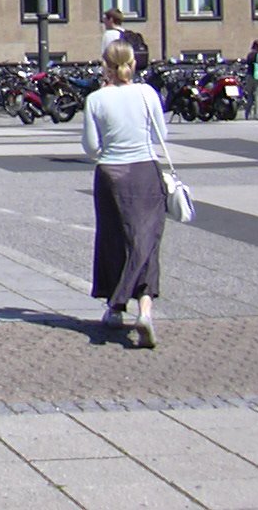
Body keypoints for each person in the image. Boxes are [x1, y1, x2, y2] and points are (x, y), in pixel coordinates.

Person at [82, 38, 165, 348]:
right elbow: (161, 134)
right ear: (133, 63)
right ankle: (145, 308)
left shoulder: (96, 100)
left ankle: (115, 307)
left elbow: (91, 147)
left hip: (111, 174)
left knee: (114, 239)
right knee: (146, 241)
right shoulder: (147, 94)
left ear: (105, 65)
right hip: (145, 171)